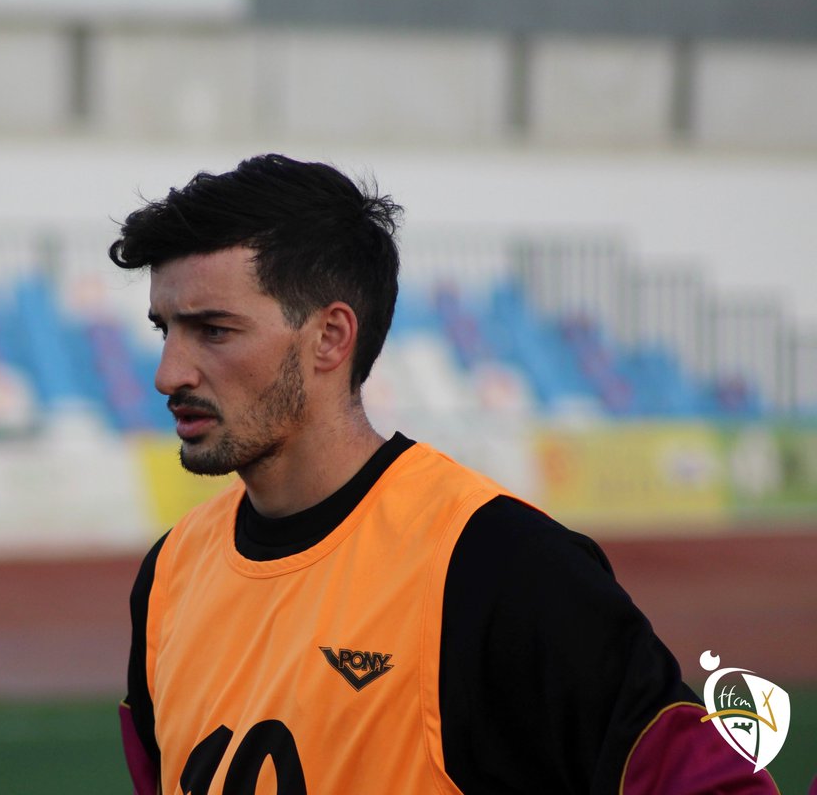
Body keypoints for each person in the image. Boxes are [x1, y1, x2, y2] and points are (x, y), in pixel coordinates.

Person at [109, 153, 778, 794]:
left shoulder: (497, 565)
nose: (170, 373)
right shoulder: (168, 576)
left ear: (331, 338)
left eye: (213, 331)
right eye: (164, 329)